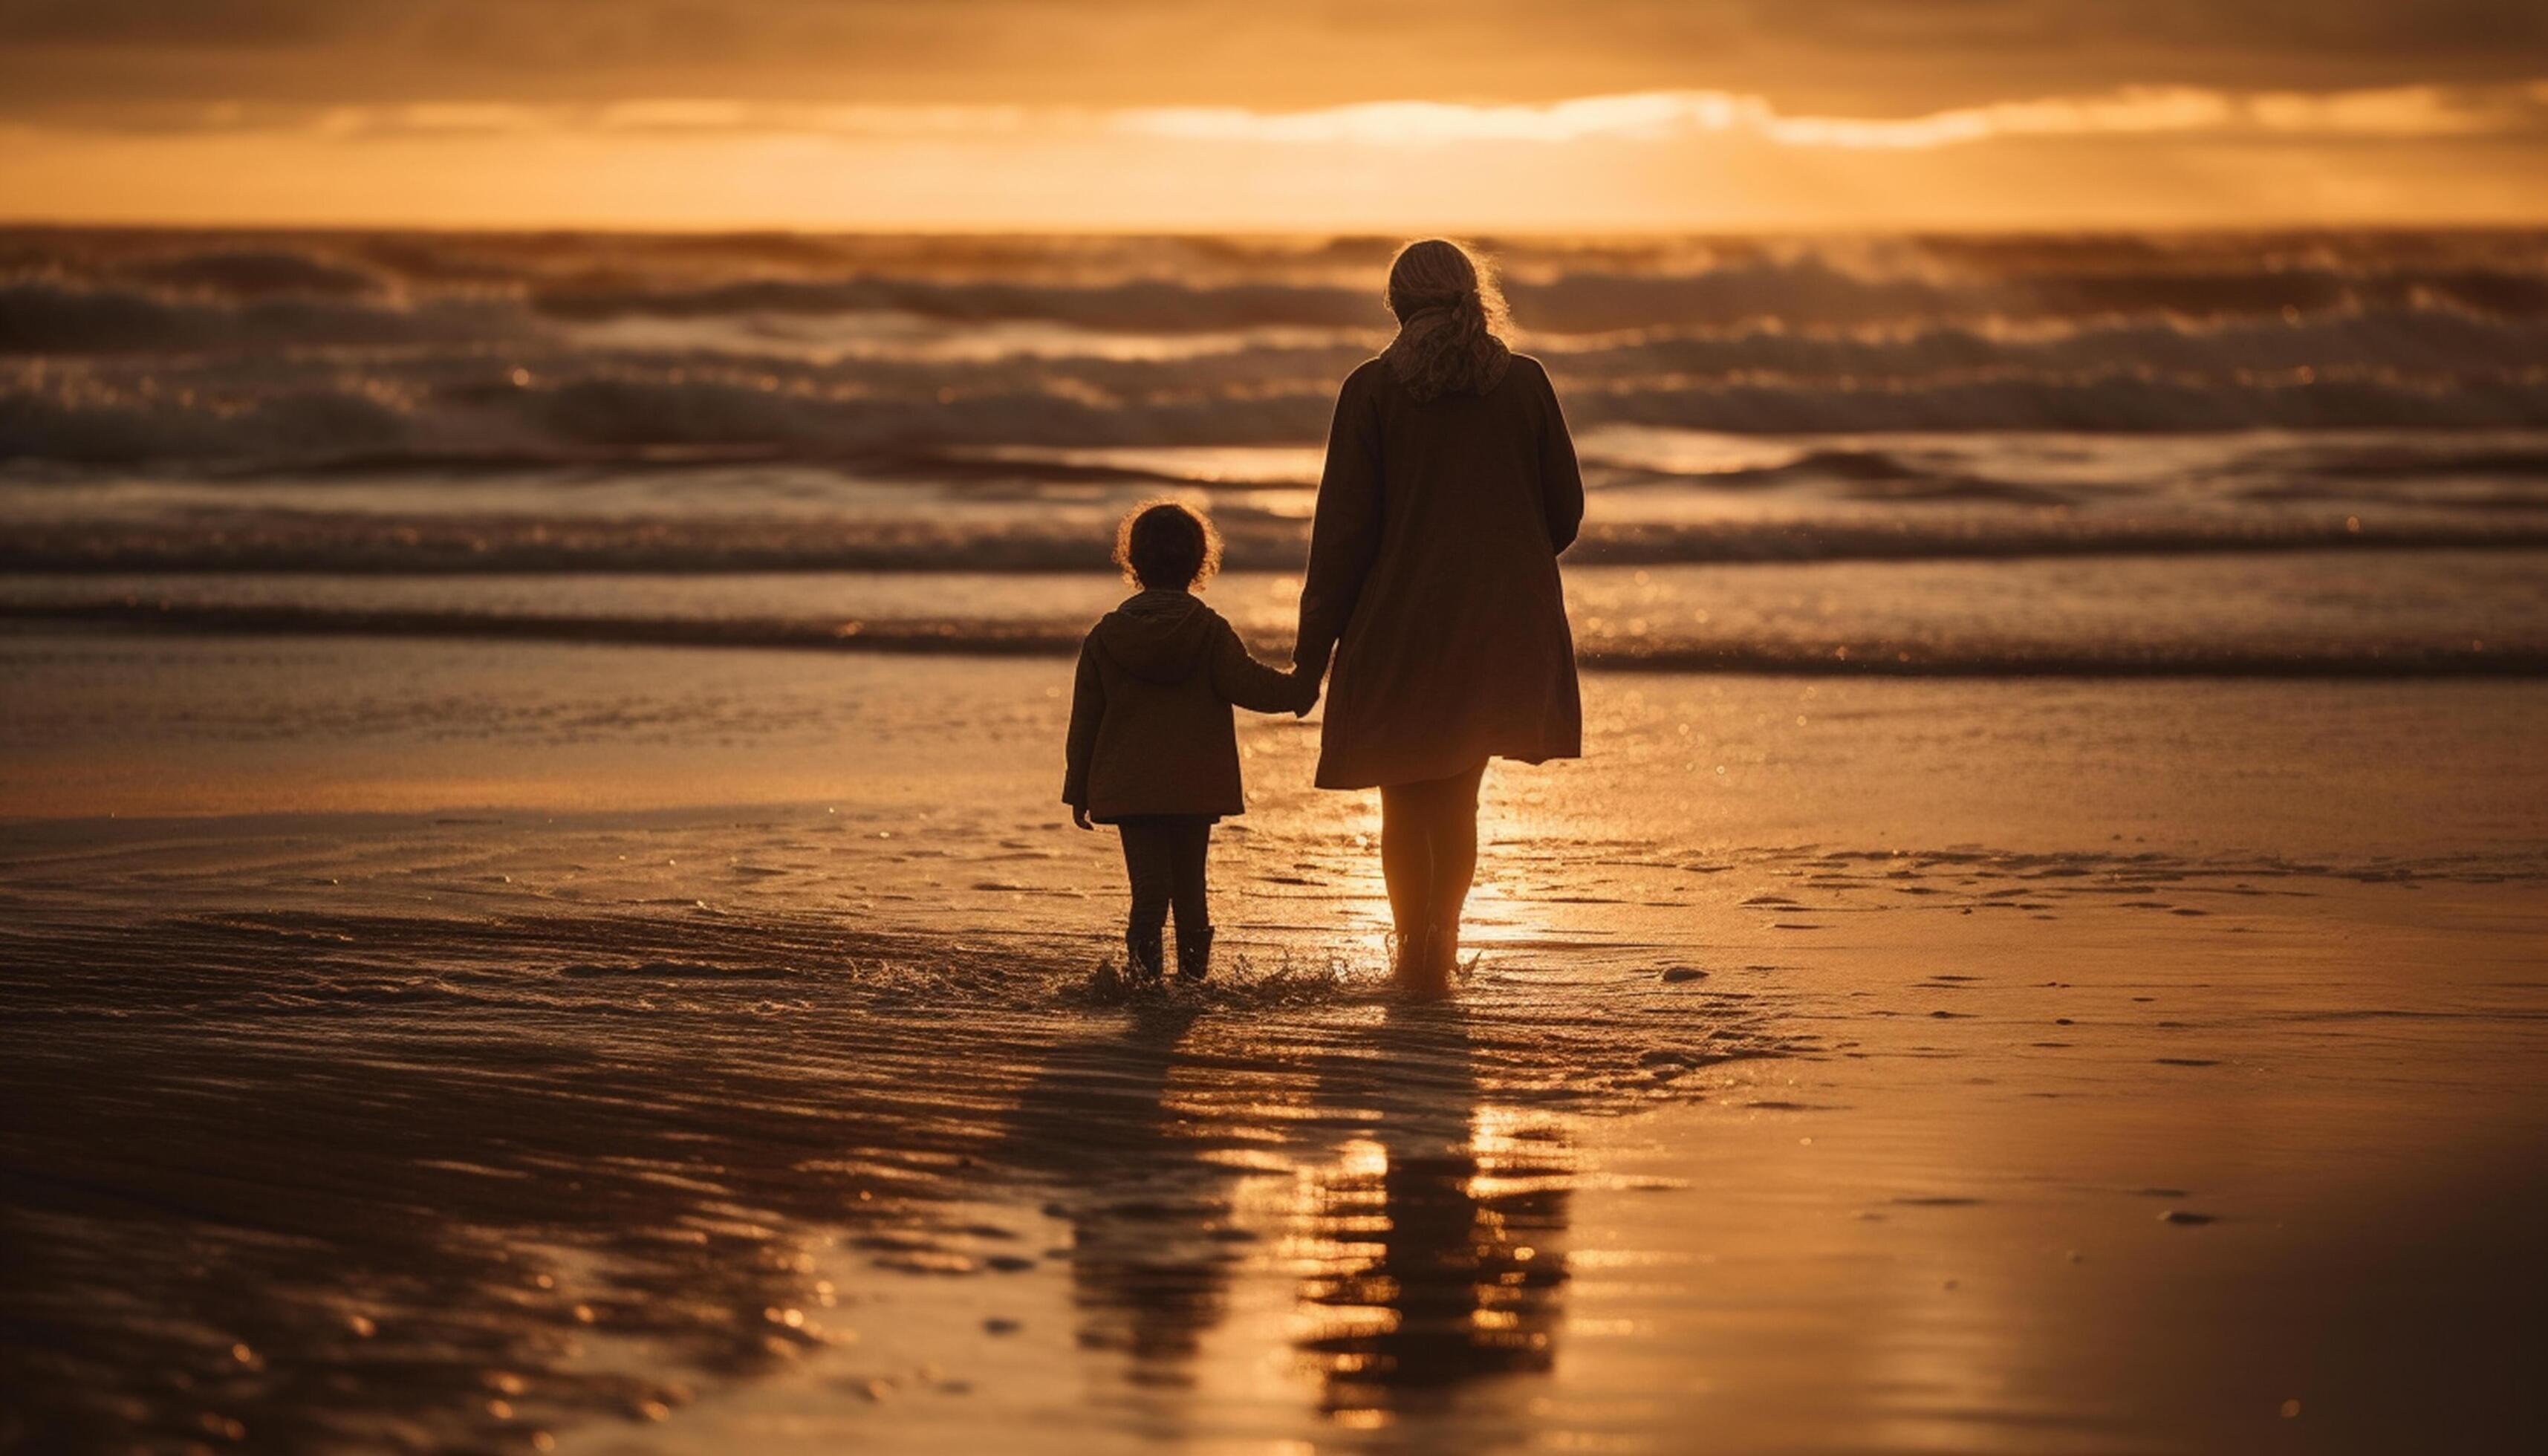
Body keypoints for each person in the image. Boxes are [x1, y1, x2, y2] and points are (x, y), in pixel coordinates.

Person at [1292, 238, 1585, 995]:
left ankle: (1409, 957)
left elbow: (1343, 534)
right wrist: (1504, 566)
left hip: (1399, 621)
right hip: (1498, 623)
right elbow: (1565, 513)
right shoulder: (1523, 384)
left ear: (1395, 304)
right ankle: (1440, 952)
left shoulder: (1372, 390)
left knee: (1404, 800)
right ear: (1473, 297)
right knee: (1459, 794)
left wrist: (1310, 653)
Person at [1065, 501, 1318, 982]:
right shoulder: (1206, 631)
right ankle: (1193, 986)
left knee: (1148, 894)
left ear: (1132, 562)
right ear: (1201, 564)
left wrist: (1078, 788)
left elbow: (1086, 723)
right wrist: (1303, 687)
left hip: (1130, 785)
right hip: (1193, 784)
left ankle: (1144, 987)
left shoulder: (1106, 636)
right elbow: (1252, 686)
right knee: (1190, 892)